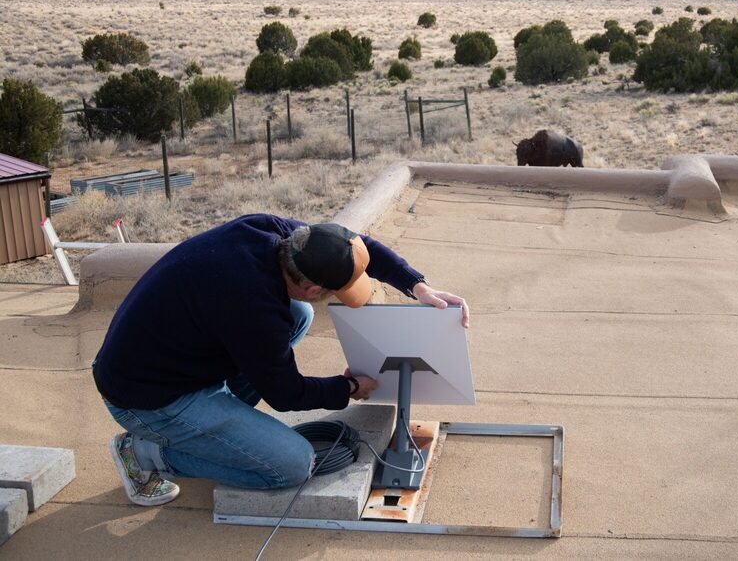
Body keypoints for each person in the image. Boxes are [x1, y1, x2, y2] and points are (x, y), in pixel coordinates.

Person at [91, 214, 469, 506]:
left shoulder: (275, 234)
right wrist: (348, 387)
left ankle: (219, 420)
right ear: (313, 287)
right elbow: (286, 394)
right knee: (291, 465)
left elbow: (356, 244)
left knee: (299, 314)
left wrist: (417, 285)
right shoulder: (254, 308)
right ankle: (146, 452)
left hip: (171, 357)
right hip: (148, 398)